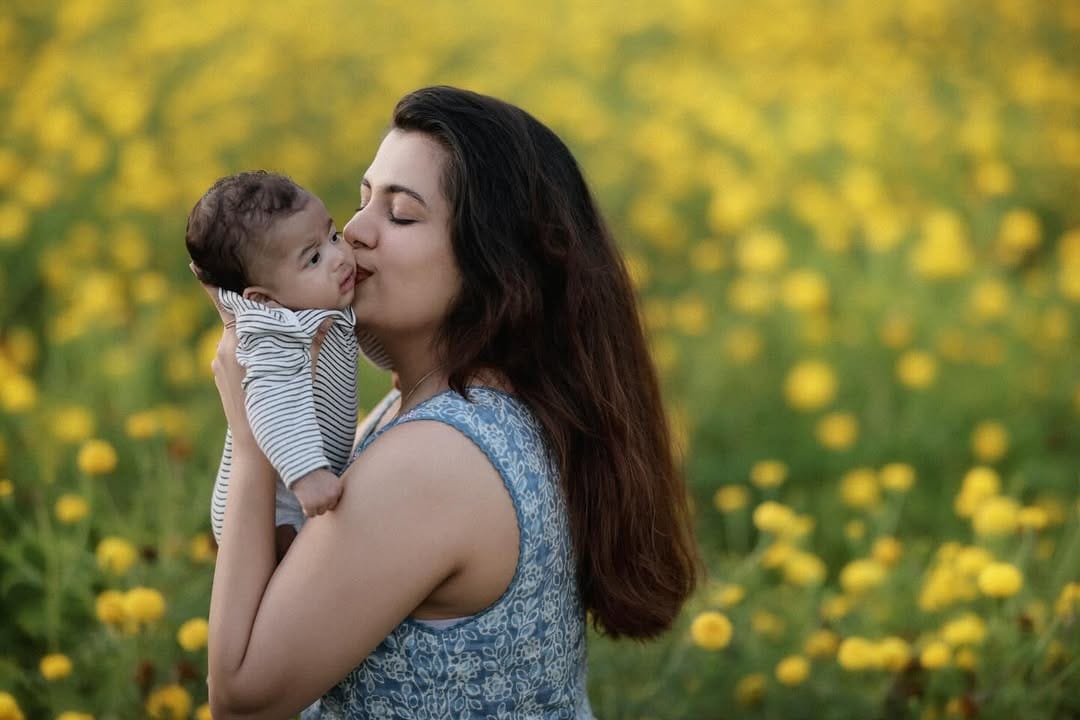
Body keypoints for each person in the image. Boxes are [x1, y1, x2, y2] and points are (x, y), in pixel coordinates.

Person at [201, 86, 700, 719]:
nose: (353, 234)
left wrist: (251, 438)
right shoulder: (468, 410)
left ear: (495, 264)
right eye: (361, 201)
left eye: (400, 215)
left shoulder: (433, 460)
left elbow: (242, 700)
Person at [185, 171, 391, 549]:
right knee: (286, 570)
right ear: (263, 299)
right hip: (277, 498)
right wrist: (307, 474)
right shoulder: (273, 332)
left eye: (331, 236)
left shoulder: (314, 303)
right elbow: (270, 403)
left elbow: (353, 338)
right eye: (313, 258)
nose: (338, 257)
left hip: (296, 476)